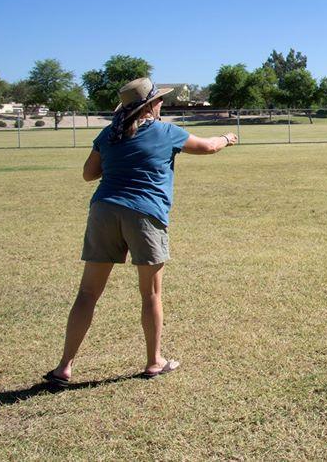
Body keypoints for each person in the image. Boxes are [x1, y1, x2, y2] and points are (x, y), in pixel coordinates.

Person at [44, 77, 238, 386]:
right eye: (159, 100)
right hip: (145, 213)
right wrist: (228, 137)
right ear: (150, 106)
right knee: (150, 293)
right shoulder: (165, 132)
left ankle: (63, 367)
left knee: (87, 293)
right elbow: (208, 146)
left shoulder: (110, 133)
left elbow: (87, 174)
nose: (162, 103)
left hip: (104, 210)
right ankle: (153, 362)